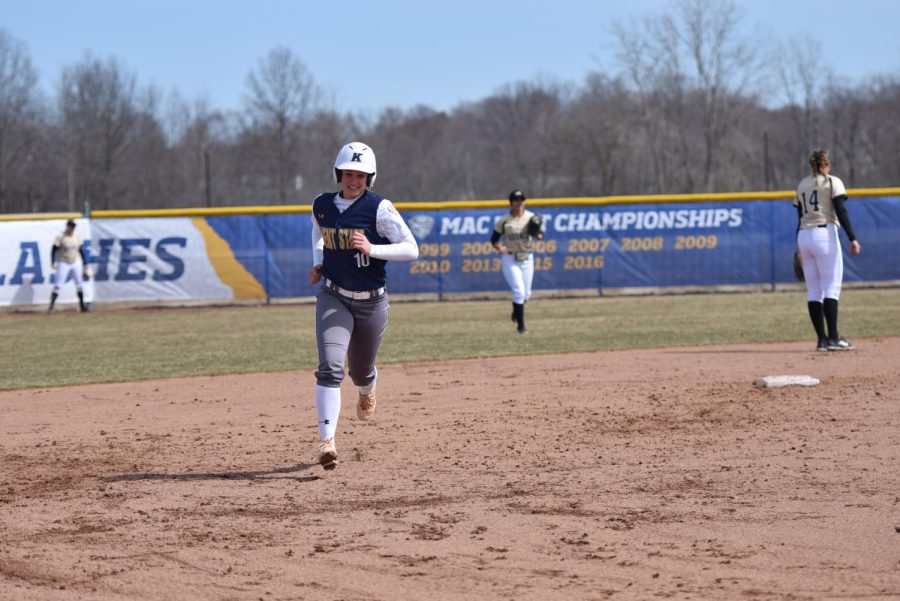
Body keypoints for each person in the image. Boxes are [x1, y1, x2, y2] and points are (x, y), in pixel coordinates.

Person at [308, 142, 419, 470]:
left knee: (360, 372)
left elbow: (411, 249)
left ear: (369, 177)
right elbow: (318, 233)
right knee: (330, 367)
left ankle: (368, 387)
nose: (352, 180)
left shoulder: (379, 208)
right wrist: (317, 262)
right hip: (333, 295)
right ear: (338, 174)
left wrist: (373, 249)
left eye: (359, 175)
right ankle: (327, 441)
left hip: (371, 301)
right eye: (347, 174)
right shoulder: (322, 205)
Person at [794, 149, 861, 352]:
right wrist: (852, 238)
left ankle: (821, 340)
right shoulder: (832, 181)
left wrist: (797, 247)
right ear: (827, 164)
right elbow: (841, 210)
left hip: (803, 236)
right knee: (831, 287)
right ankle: (834, 338)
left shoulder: (802, 185)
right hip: (825, 235)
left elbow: (799, 218)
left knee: (814, 290)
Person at [490, 189, 544, 334]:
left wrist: (539, 235)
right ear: (511, 202)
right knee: (518, 291)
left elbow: (538, 233)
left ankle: (516, 311)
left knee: (526, 294)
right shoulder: (504, 220)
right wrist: (498, 247)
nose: (519, 203)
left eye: (521, 200)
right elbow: (494, 240)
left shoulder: (531, 217)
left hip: (527, 258)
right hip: (510, 258)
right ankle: (521, 327)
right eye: (516, 200)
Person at [48, 219, 91, 313]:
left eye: (73, 226)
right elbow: (54, 249)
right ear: (67, 226)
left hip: (75, 262)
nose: (71, 228)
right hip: (63, 262)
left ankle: (82, 306)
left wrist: (85, 264)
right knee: (58, 284)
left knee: (79, 284)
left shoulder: (76, 237)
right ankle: (51, 307)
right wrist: (53, 261)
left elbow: (81, 250)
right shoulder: (61, 237)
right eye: (70, 226)